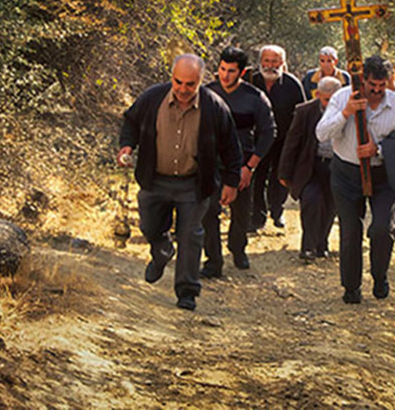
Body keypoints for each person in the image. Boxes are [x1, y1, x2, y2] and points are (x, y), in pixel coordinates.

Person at [117, 54, 241, 311]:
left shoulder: (214, 107)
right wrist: (126, 146)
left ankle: (187, 292)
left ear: (201, 81)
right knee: (149, 226)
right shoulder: (153, 98)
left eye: (190, 84)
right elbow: (131, 121)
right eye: (179, 82)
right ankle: (161, 250)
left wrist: (231, 182)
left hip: (193, 184)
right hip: (155, 180)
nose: (183, 89)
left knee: (190, 235)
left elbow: (231, 148)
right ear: (171, 77)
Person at [316, 55, 395, 303]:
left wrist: (379, 150)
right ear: (363, 81)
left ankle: (380, 276)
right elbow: (321, 134)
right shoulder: (341, 97)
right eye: (373, 85)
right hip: (346, 174)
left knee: (382, 228)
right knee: (350, 231)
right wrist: (346, 113)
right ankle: (351, 287)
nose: (377, 91)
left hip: (383, 176)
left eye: (382, 86)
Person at [203, 46, 275, 276]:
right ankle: (213, 261)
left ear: (241, 73)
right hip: (211, 162)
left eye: (231, 71)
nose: (225, 75)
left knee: (241, 212)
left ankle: (238, 249)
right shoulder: (206, 93)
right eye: (222, 69)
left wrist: (250, 167)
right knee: (207, 211)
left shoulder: (255, 98)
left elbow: (268, 132)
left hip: (243, 162)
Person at [278, 76, 341, 260]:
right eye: (326, 99)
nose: (329, 103)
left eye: (333, 99)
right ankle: (308, 247)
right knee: (311, 201)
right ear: (318, 94)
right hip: (310, 166)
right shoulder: (305, 112)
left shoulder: (347, 112)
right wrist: (284, 172)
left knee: (330, 205)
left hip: (336, 166)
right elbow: (292, 142)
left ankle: (322, 243)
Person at [249, 44, 306, 231]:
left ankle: (277, 210)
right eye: (266, 61)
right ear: (260, 62)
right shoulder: (251, 81)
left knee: (279, 177)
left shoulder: (292, 84)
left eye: (274, 61)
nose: (270, 65)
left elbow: (301, 114)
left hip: (284, 140)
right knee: (257, 177)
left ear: (282, 63)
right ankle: (257, 216)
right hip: (257, 140)